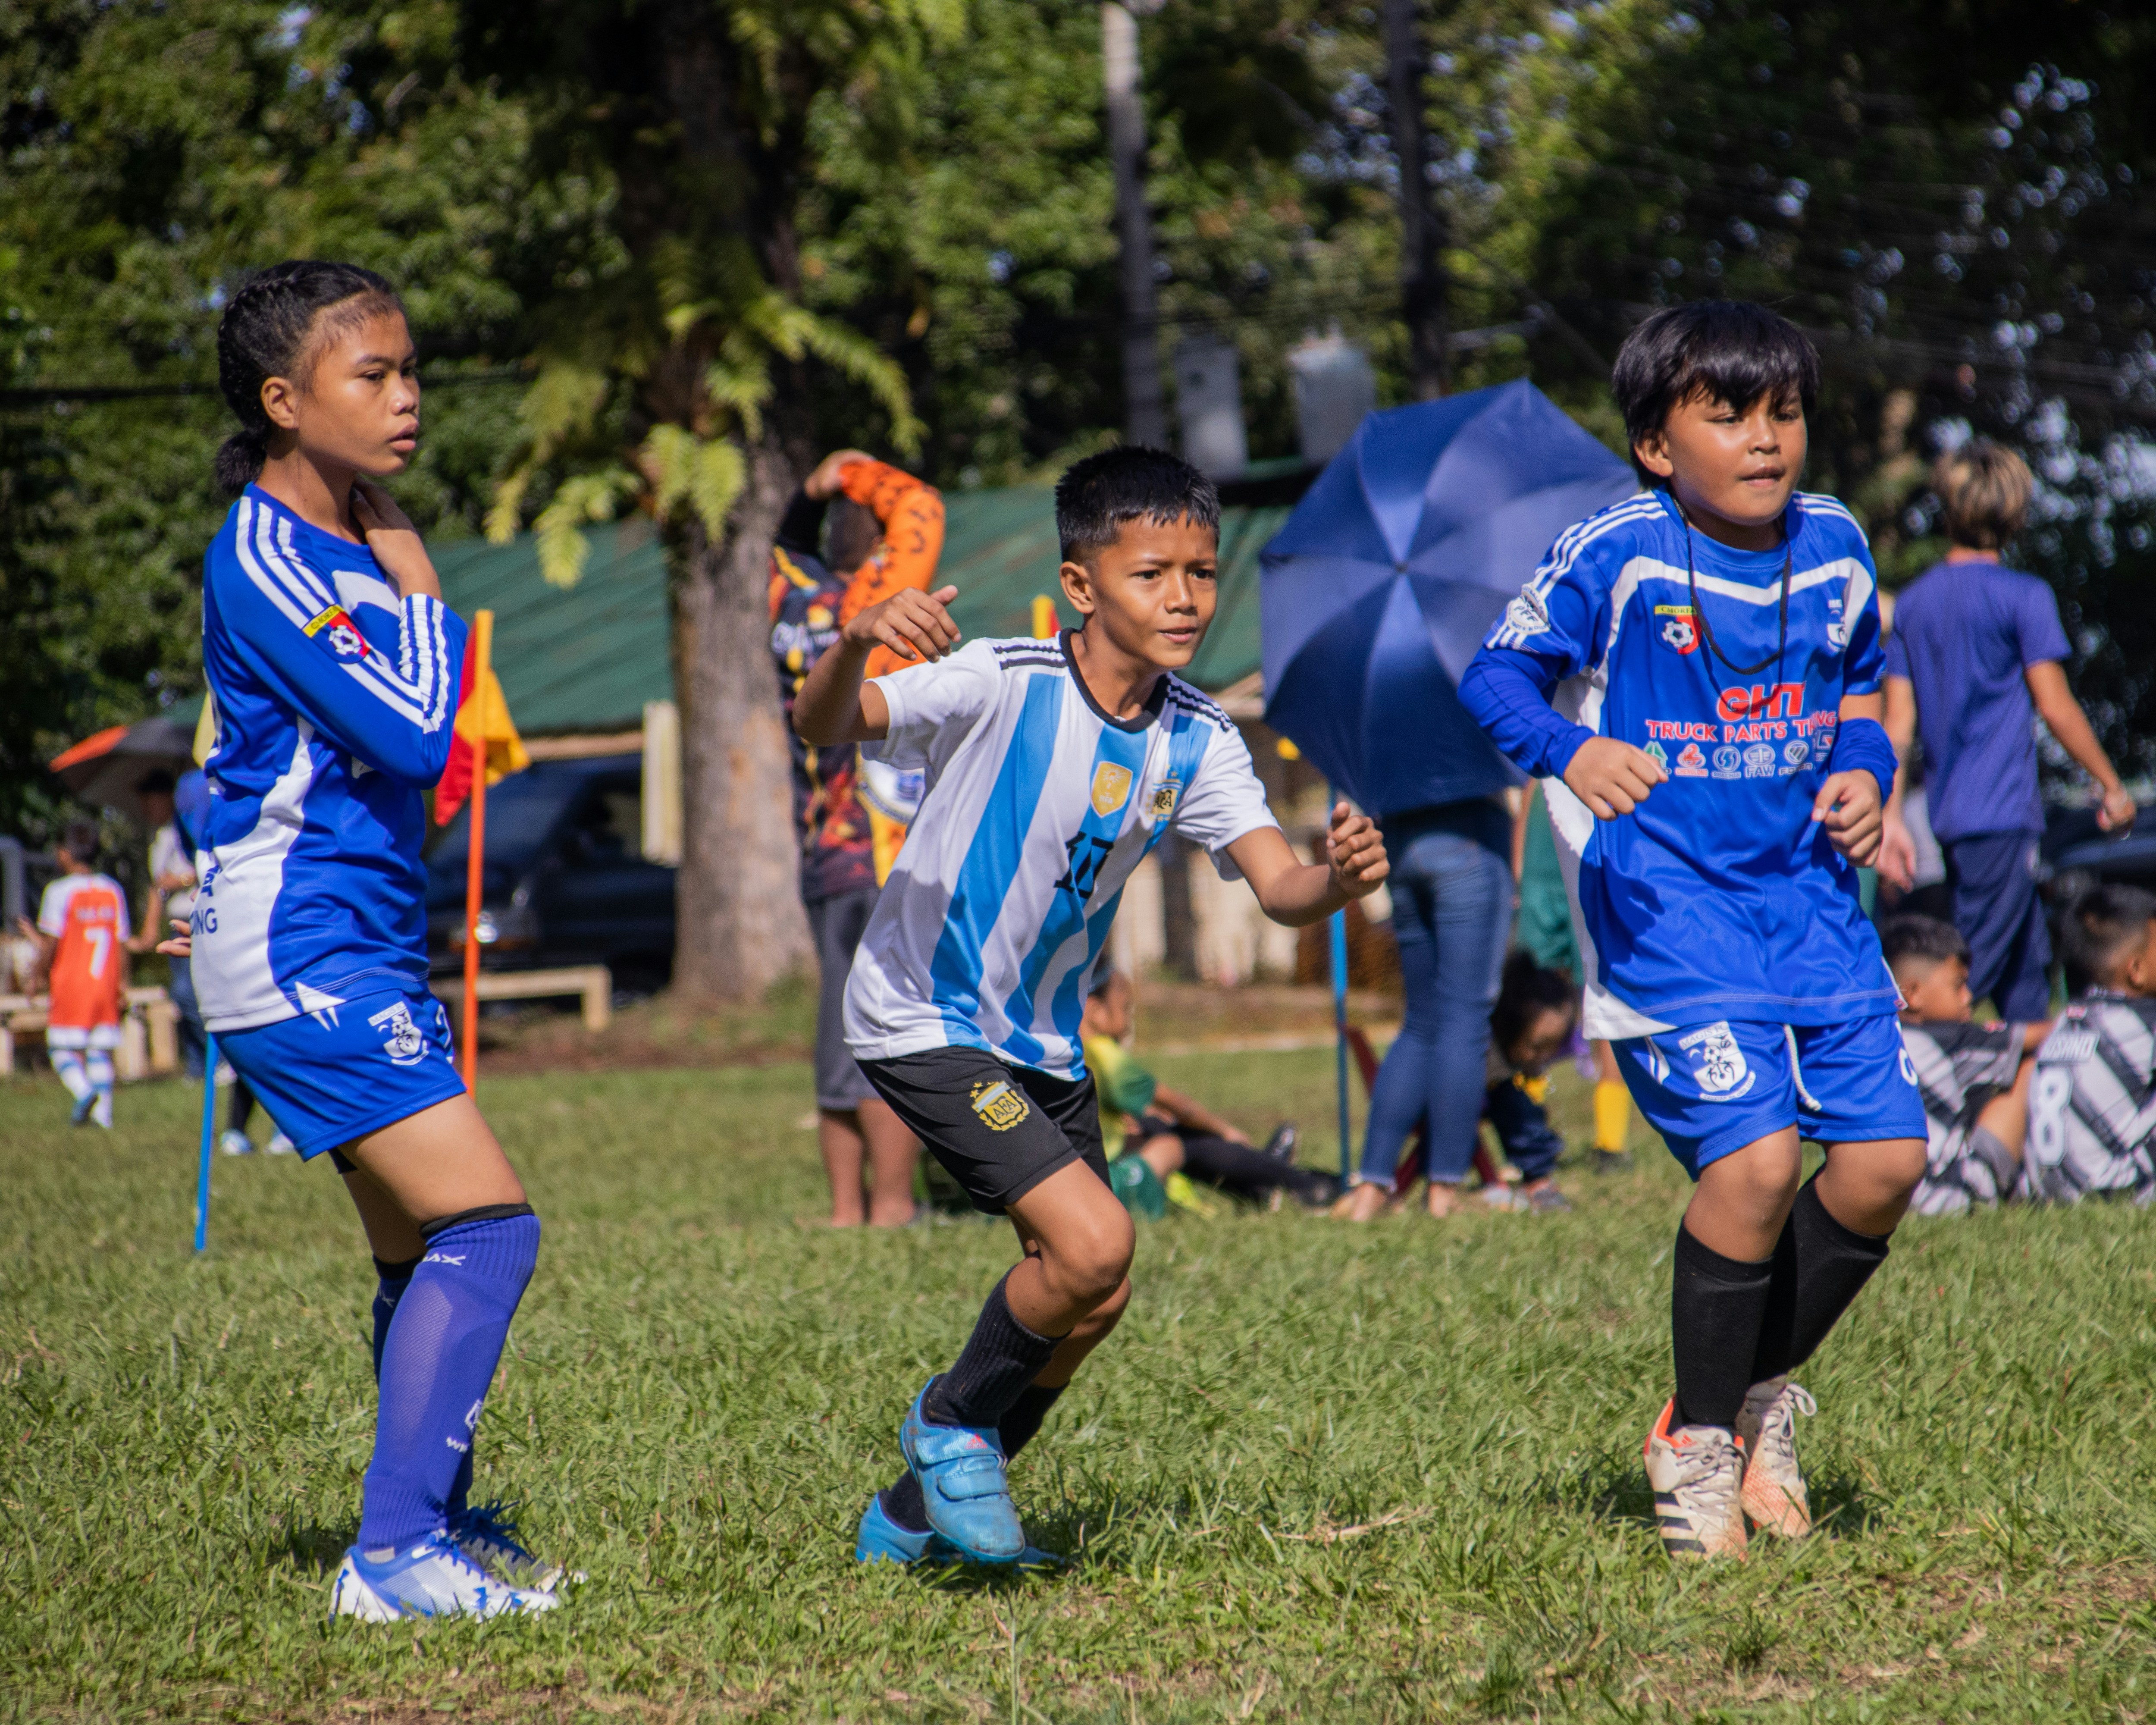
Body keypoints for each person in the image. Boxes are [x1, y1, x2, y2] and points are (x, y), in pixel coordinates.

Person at [791, 445, 1389, 1568]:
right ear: (1081, 585)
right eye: (1153, 573)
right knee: (1094, 1237)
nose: (1185, 599)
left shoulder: (1200, 735)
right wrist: (856, 639)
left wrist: (1341, 882)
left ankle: (912, 1520)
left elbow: (1282, 887)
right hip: (925, 1013)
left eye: (1202, 574)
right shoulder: (1000, 678)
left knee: (1095, 1293)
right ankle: (952, 1426)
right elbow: (824, 723)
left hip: (1046, 1043)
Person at [1460, 301, 1927, 1561]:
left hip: (1811, 907)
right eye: (1724, 413)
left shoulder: (1831, 543)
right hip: (1668, 910)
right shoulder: (1617, 548)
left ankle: (1736, 1395)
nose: (1763, 437)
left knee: (1884, 1166)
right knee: (1757, 1168)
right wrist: (1571, 747)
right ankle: (1700, 1448)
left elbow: (1860, 687)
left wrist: (1865, 768)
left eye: (1781, 412)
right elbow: (1493, 674)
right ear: (1656, 445)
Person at [169, 258, 558, 1619]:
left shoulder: (331, 549)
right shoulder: (272, 554)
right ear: (285, 400)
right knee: (489, 1230)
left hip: (350, 934)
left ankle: (427, 1526)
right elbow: (411, 725)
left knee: (417, 1248)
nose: (407, 400)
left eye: (411, 371)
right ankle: (392, 1556)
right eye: (372, 375)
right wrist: (426, 590)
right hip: (300, 942)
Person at [1879, 440, 2137, 1019]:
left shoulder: (1915, 605)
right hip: (2001, 816)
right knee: (1962, 981)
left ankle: (2030, 1107)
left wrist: (1892, 818)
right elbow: (2056, 705)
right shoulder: (2024, 597)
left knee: (2026, 985)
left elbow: (1897, 725)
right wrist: (2110, 785)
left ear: (1947, 509)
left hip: (1951, 818)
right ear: (2015, 514)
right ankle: (1899, 1077)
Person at [769, 448, 938, 1227]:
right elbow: (923, 506)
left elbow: (782, 545)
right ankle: (895, 1205)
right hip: (887, 850)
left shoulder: (794, 604)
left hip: (822, 852)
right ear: (878, 549)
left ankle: (845, 1210)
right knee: (894, 1025)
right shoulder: (885, 601)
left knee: (840, 1023)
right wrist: (856, 471)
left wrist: (813, 487)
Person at [1080, 969, 1337, 1210]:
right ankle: (1304, 1184)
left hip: (1093, 1168)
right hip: (1106, 1179)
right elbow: (1183, 1108)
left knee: (1155, 1125)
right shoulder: (1105, 1056)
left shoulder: (1073, 1053)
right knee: (1181, 1140)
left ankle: (1260, 1185)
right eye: (1127, 1009)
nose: (1129, 1021)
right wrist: (1227, 1132)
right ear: (1095, 1011)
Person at [1883, 915, 2042, 1216]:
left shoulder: (1873, 1038)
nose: (1969, 997)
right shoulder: (1951, 1039)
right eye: (1959, 986)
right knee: (2027, 1063)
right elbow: (2041, 1036)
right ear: (1913, 994)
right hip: (1946, 1196)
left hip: (1881, 1198)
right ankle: (2029, 1183)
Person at [2020, 885, 2156, 1204]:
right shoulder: (2146, 1022)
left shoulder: (2068, 1020)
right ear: (2135, 970)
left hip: (2051, 1192)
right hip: (2119, 1190)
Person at [18, 820, 130, 1128]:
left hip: (72, 982)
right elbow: (121, 943)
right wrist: (124, 983)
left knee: (60, 1048)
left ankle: (84, 1092)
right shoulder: (112, 890)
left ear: (65, 853)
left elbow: (53, 943)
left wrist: (36, 977)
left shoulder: (59, 891)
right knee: (100, 1051)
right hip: (105, 982)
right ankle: (104, 1118)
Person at [1479, 952, 1579, 1214]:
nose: (1543, 1057)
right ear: (1510, 1025)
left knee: (1521, 1104)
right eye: (1536, 1047)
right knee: (1517, 1108)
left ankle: (1539, 1176)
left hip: (1480, 1103)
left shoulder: (1508, 1056)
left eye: (1552, 1048)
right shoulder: (1486, 1051)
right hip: (1457, 1106)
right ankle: (1538, 1180)